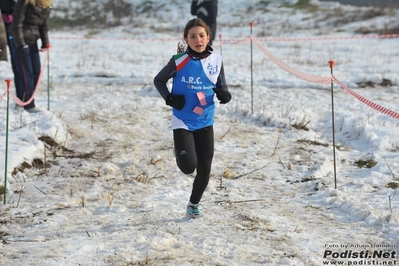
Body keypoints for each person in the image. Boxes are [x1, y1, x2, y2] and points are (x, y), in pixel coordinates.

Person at [153, 18, 231, 218]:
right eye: (193, 36)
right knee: (189, 167)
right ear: (186, 39)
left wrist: (225, 95)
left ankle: (193, 204)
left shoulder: (216, 61)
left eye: (202, 35)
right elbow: (159, 80)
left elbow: (222, 86)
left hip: (206, 120)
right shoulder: (179, 60)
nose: (198, 40)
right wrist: (170, 98)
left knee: (205, 168)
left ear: (208, 37)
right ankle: (180, 152)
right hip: (183, 120)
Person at [8, 0, 52, 112]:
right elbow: (16, 25)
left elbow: (44, 26)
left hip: (32, 40)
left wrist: (45, 42)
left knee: (36, 72)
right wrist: (21, 45)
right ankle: (29, 105)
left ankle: (23, 100)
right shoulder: (24, 3)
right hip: (19, 40)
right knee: (26, 74)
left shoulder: (47, 5)